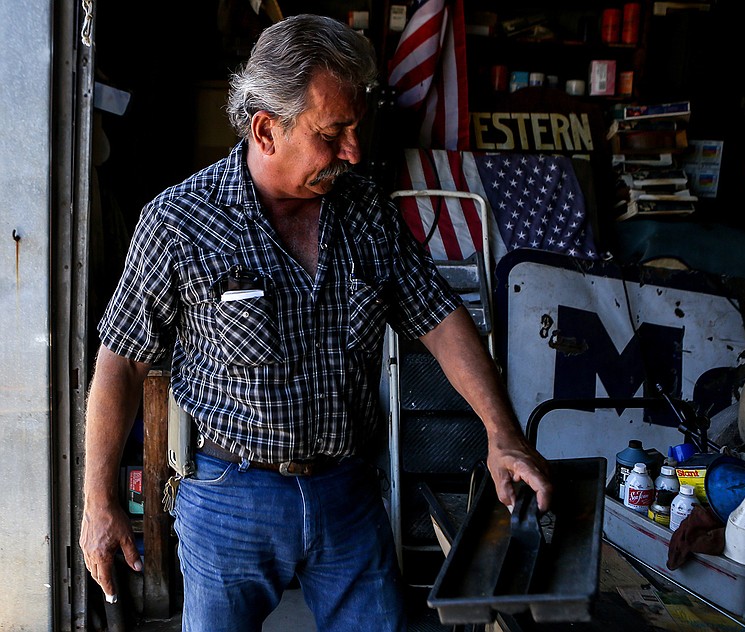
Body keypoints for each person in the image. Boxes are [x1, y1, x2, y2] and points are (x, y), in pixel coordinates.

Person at [79, 13, 552, 632]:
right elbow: (120, 362)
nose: (353, 152)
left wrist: (502, 432)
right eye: (333, 134)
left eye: (358, 128)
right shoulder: (181, 222)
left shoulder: (365, 213)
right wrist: (100, 501)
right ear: (267, 130)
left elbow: (440, 318)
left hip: (347, 494)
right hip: (228, 497)